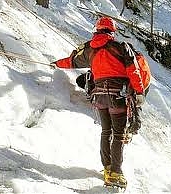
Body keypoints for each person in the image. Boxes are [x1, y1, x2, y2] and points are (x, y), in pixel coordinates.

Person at [51, 16, 145, 188]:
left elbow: (72, 61)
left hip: (99, 96)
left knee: (105, 131)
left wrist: (56, 64)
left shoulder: (90, 49)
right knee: (118, 135)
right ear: (112, 31)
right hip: (119, 95)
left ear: (97, 30)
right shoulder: (121, 47)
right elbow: (134, 70)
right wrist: (139, 92)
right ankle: (115, 174)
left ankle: (108, 167)